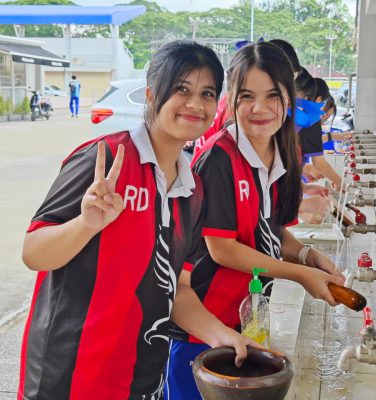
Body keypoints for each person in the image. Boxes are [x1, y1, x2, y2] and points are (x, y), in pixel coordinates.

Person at [18, 41, 254, 400]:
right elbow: (34, 252)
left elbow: (179, 289)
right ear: (151, 94)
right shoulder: (106, 159)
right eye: (182, 89)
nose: (195, 104)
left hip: (142, 379)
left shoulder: (192, 191)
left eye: (207, 93)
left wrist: (224, 336)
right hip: (70, 376)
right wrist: (85, 225)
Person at [164, 41, 344, 400]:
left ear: (288, 98)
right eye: (247, 96)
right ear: (231, 99)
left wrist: (308, 256)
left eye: (272, 95)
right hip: (202, 324)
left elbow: (274, 230)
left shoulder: (284, 152)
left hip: (245, 318)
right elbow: (222, 249)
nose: (259, 108)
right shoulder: (219, 158)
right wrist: (300, 274)